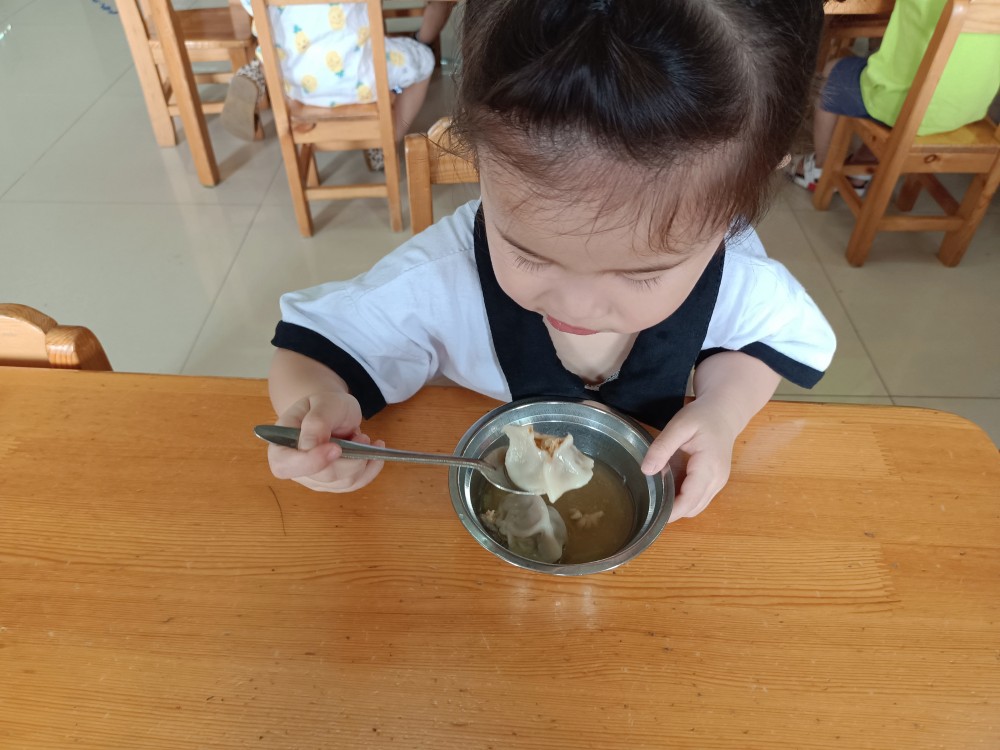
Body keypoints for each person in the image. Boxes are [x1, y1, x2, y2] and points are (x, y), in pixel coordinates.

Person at [264, 0, 838, 522]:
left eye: (642, 274)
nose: (577, 306)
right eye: (528, 253)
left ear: (735, 205)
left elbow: (762, 342)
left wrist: (723, 410)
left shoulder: (738, 276)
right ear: (476, 159)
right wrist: (315, 412)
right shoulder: (442, 275)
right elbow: (313, 349)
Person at [794, 0, 1000, 191]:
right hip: (968, 111)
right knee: (901, 69)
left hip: (906, 107)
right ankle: (859, 171)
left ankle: (822, 168)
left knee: (832, 73)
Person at [221, 1, 452, 168]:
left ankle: (259, 72)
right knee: (423, 60)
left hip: (296, 84)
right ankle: (385, 142)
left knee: (282, 43)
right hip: (360, 82)